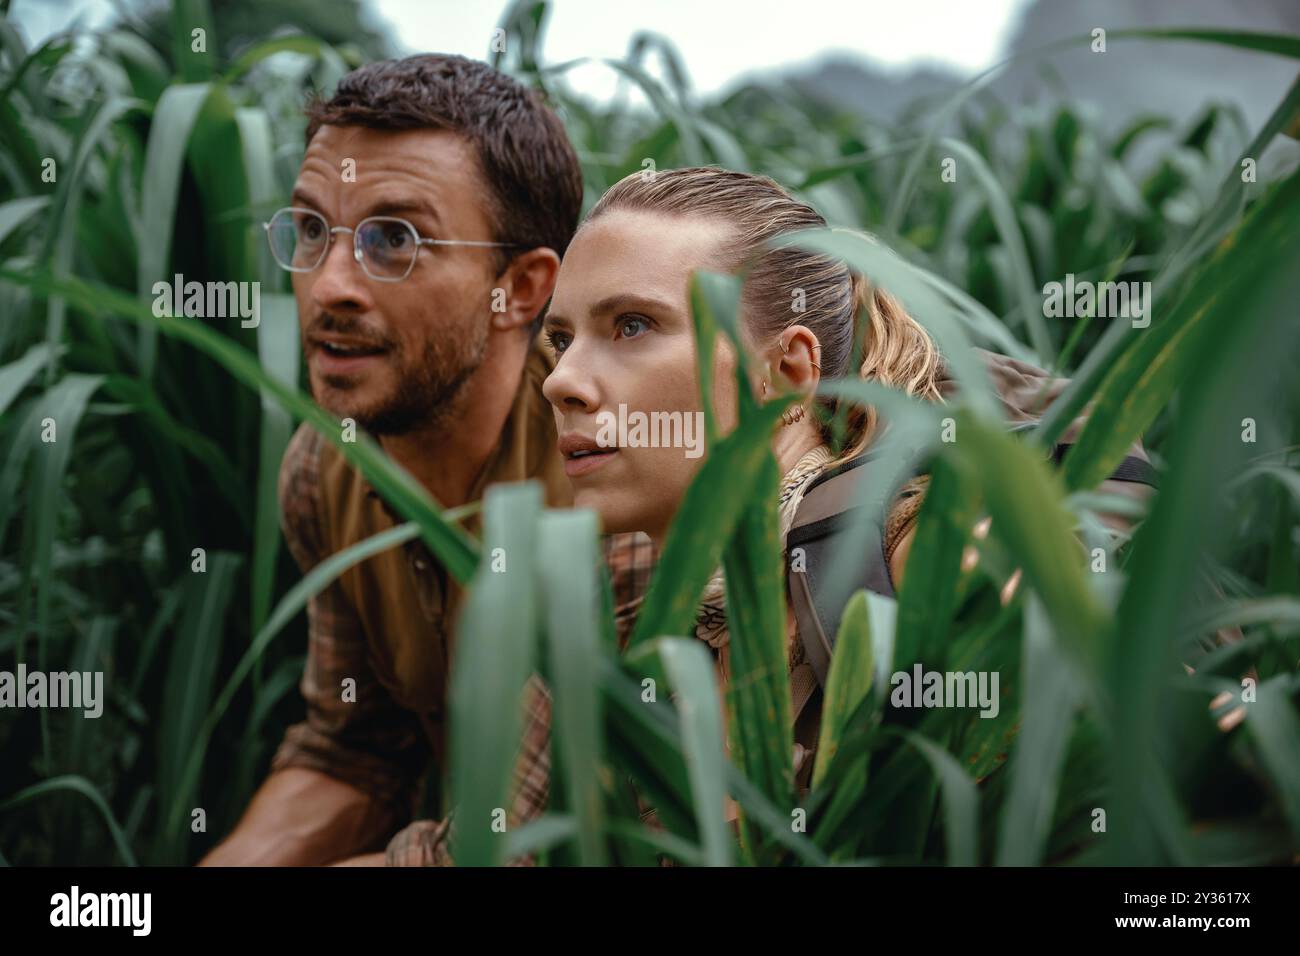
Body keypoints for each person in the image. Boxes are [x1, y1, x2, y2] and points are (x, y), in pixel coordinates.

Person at [200, 53, 639, 866]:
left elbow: (510, 850)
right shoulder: (323, 468)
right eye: (309, 230)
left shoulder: (612, 484)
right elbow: (353, 751)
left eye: (393, 240)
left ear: (522, 285)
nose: (329, 285)